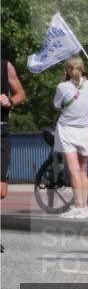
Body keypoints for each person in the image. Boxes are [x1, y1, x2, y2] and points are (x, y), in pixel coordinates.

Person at [52, 56, 88, 219]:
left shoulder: (62, 86)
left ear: (67, 70)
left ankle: (78, 206)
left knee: (73, 170)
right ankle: (84, 206)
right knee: (83, 170)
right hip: (85, 130)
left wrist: (64, 80)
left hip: (67, 130)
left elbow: (57, 106)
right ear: (83, 68)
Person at [1, 57, 26, 205]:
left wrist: (9, 101)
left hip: (1, 129)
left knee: (2, 191)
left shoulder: (4, 66)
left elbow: (21, 93)